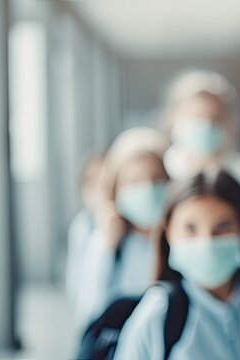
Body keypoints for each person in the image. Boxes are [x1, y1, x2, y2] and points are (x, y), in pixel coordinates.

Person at [114, 168, 240, 360]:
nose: (207, 242)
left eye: (223, 227)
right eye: (190, 229)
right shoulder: (157, 316)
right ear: (168, 232)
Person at [73, 127, 170, 331]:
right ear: (116, 190)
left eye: (156, 178)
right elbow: (89, 312)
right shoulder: (105, 243)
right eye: (135, 182)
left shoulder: (179, 238)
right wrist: (106, 247)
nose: (148, 188)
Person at [159, 69, 240, 214]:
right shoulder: (161, 169)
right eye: (197, 117)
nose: (207, 126)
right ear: (174, 117)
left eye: (215, 118)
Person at [66, 153, 105, 306]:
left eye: (104, 182)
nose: (99, 189)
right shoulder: (82, 225)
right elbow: (76, 283)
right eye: (91, 182)